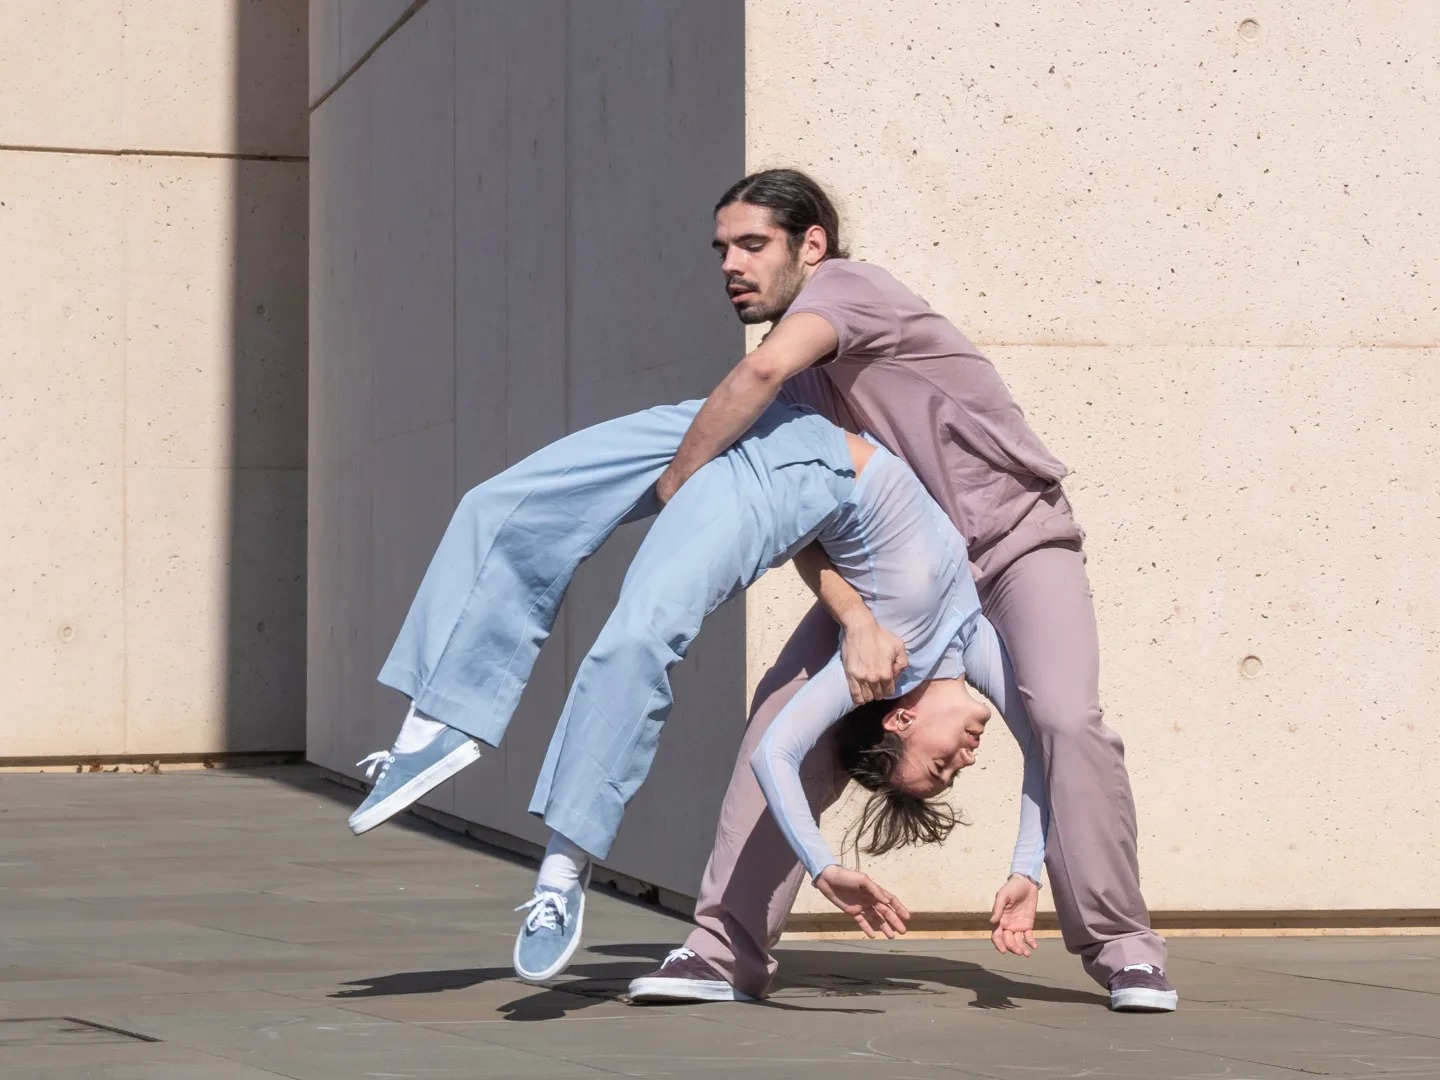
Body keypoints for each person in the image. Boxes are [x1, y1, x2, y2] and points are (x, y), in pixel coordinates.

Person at [625, 169, 1176, 1014]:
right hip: (901, 580)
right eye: (722, 249)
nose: (731, 264)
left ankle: (1124, 948)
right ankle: (720, 951)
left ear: (812, 246)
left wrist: (673, 488)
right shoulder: (796, 391)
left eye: (751, 244)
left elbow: (760, 370)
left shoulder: (849, 295)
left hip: (1012, 542)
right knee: (778, 723)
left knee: (1065, 717)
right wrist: (851, 620)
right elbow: (809, 527)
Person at [343, 392, 1047, 985]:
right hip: (753, 418)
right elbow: (1047, 753)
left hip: (775, 484)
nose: (967, 757)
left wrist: (824, 868)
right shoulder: (968, 642)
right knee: (501, 504)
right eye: (953, 767)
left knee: (638, 636)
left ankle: (562, 869)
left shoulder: (873, 669)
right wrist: (1027, 872)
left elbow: (776, 755)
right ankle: (433, 728)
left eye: (941, 767)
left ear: (897, 725)